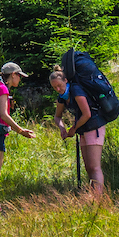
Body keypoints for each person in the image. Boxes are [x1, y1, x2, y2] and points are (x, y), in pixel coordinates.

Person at [0, 62, 36, 213]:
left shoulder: (0, 87)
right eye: (19, 76)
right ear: (13, 75)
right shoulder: (1, 88)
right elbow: (4, 115)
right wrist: (20, 131)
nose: (20, 79)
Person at [49, 66, 106, 196]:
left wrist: (73, 129)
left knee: (94, 167)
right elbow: (57, 116)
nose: (58, 89)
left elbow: (87, 114)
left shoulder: (76, 90)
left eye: (59, 85)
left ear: (66, 81)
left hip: (94, 127)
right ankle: (93, 196)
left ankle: (97, 200)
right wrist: (62, 128)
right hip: (83, 129)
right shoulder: (62, 96)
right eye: (55, 87)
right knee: (88, 167)